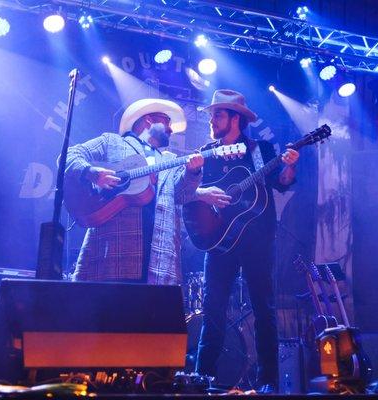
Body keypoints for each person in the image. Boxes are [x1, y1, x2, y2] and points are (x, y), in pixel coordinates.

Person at [193, 89, 299, 393]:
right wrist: (204, 195)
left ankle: (269, 383)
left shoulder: (261, 150)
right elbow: (190, 193)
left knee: (264, 310)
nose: (212, 120)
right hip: (218, 239)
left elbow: (281, 183)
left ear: (235, 118)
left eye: (218, 114)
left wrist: (289, 164)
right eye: (213, 115)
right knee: (212, 310)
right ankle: (203, 381)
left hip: (257, 240)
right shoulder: (207, 152)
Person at [65, 98, 203, 284]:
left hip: (159, 256)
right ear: (149, 120)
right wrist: (93, 174)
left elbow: (182, 195)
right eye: (167, 122)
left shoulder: (170, 160)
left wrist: (193, 172)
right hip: (113, 248)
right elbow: (69, 155)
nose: (171, 129)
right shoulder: (112, 142)